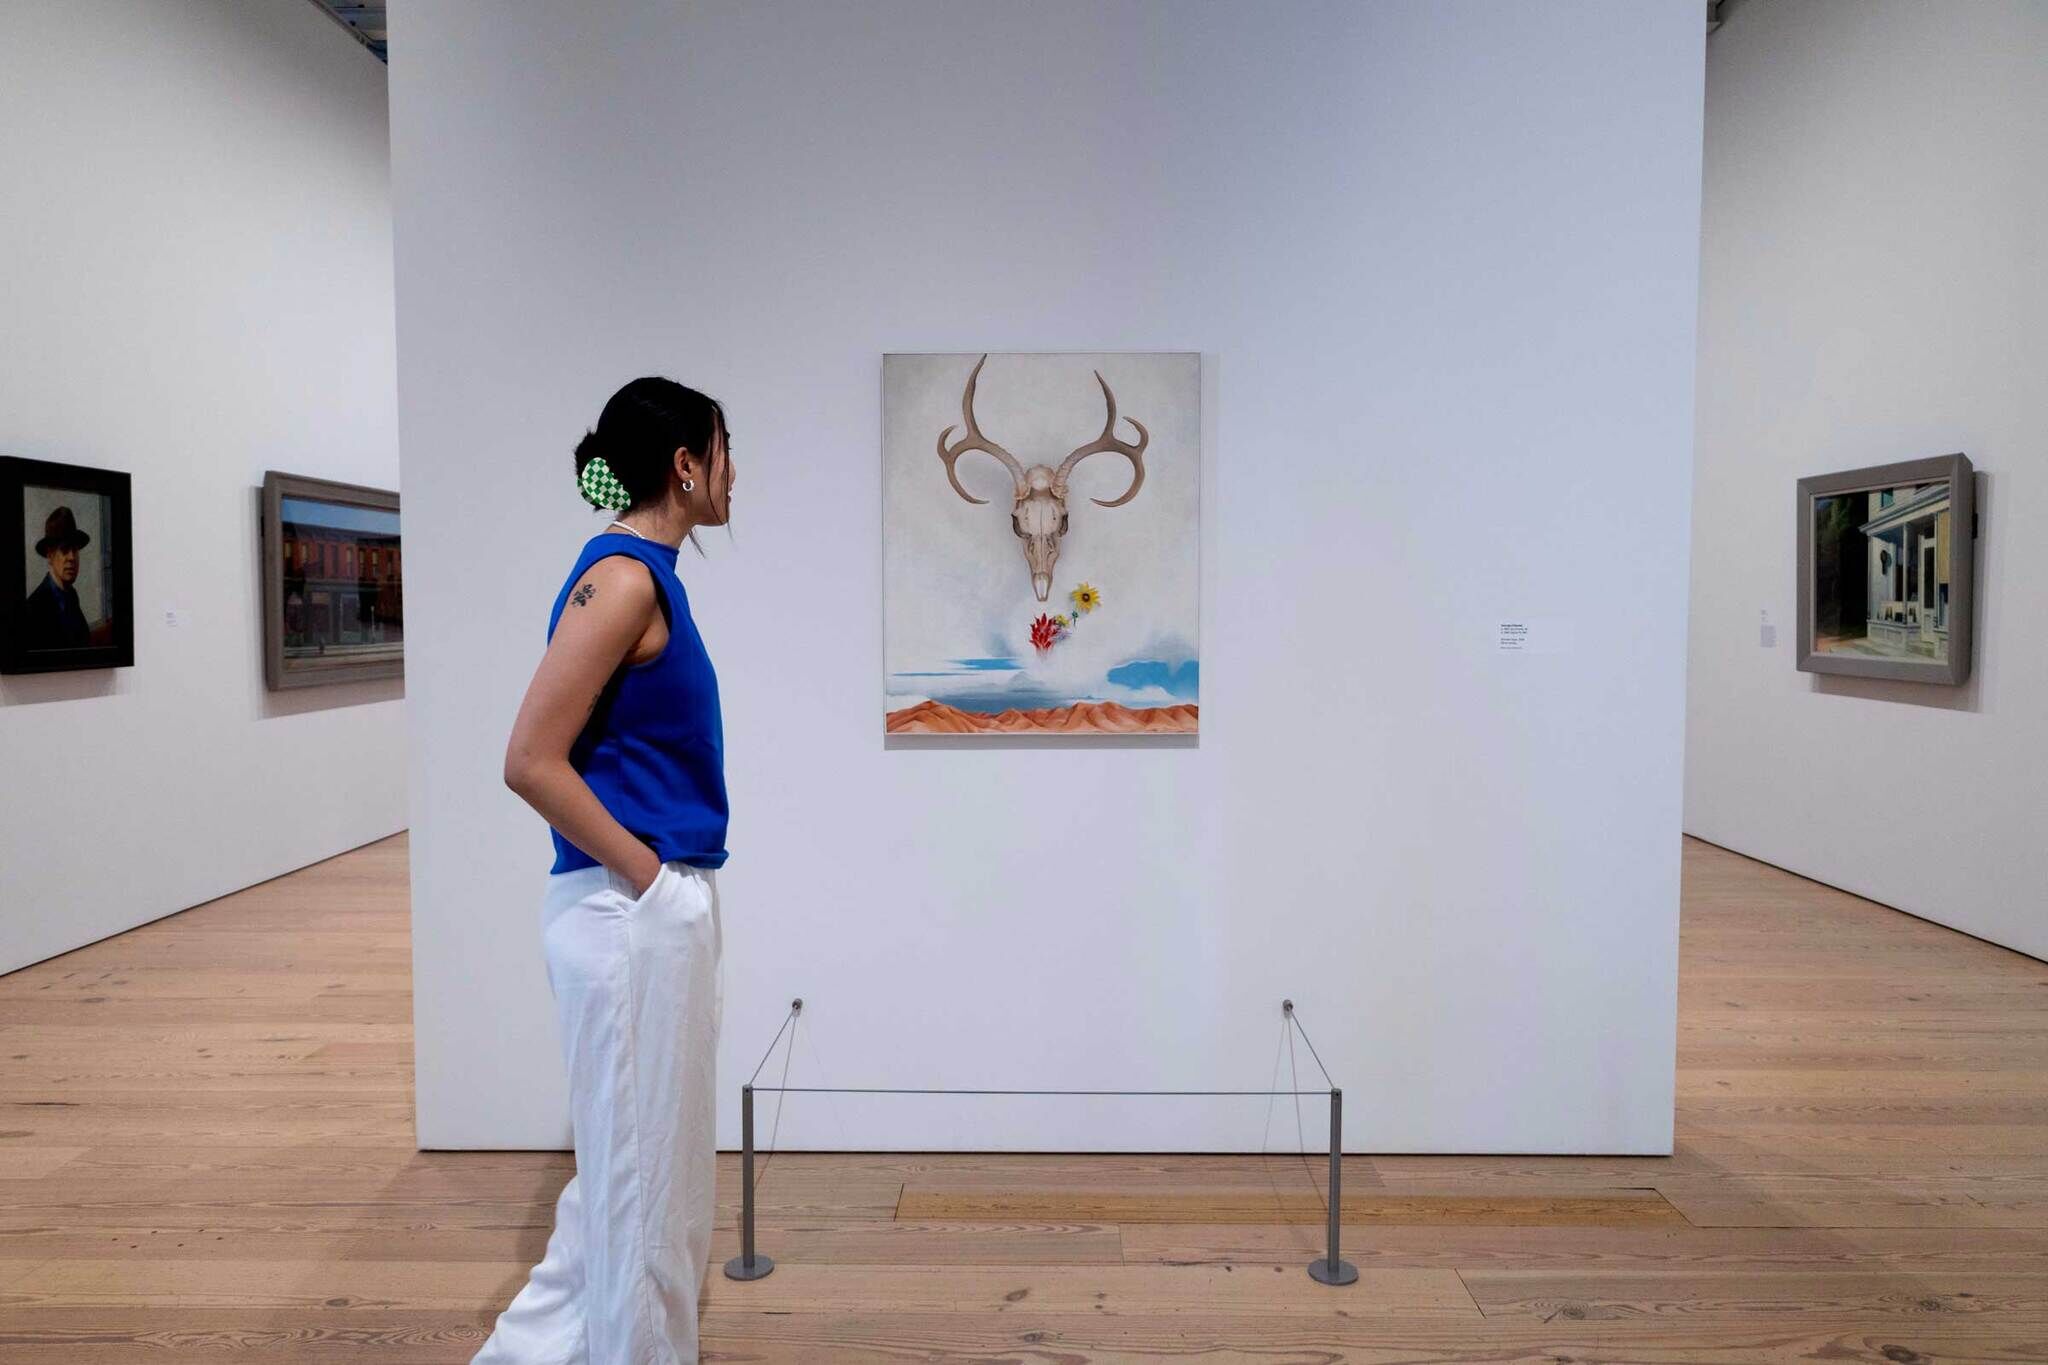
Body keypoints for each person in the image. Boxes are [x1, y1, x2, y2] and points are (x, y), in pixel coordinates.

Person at [480, 377, 736, 1364]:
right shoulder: (624, 578)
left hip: (642, 910)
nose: (732, 471)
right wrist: (654, 881)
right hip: (627, 912)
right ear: (684, 466)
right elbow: (528, 760)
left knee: (631, 1199)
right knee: (640, 1208)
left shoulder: (643, 575)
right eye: (724, 448)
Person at [21, 505, 94, 649]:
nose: (72, 557)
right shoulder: (34, 608)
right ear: (50, 555)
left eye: (75, 549)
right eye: (65, 550)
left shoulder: (72, 596)